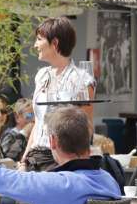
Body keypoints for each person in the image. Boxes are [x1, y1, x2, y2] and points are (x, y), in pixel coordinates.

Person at [22, 17, 94, 172]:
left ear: (54, 43)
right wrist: (23, 160)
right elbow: (38, 124)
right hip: (35, 158)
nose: (35, 45)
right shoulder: (41, 76)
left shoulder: (81, 79)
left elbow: (86, 128)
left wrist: (73, 166)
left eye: (39, 39)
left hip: (60, 161)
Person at [0, 98, 33, 163]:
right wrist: (23, 134)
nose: (32, 119)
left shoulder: (34, 135)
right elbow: (9, 158)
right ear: (17, 117)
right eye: (29, 115)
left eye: (34, 115)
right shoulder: (9, 135)